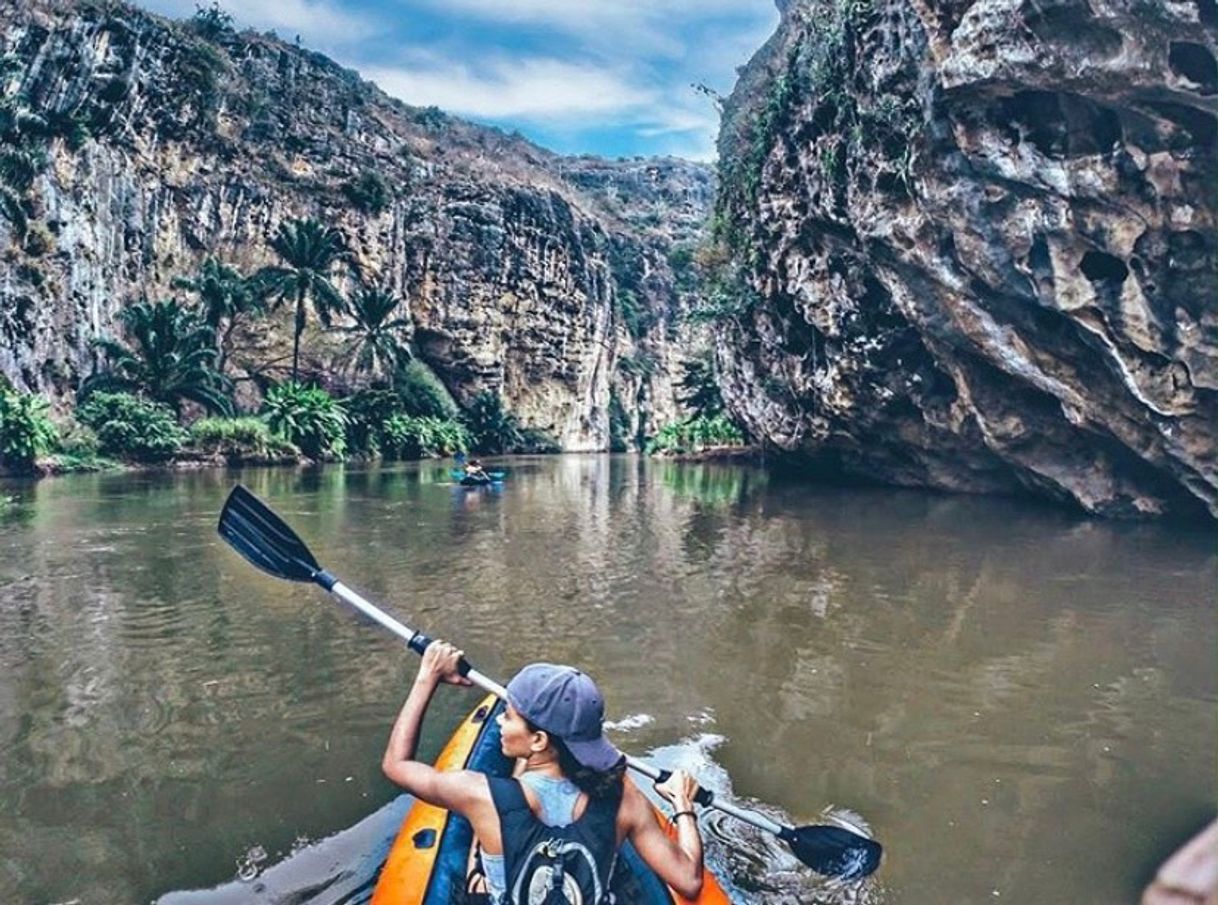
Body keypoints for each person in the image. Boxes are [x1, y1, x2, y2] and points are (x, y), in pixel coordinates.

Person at [382, 641, 705, 903]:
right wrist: (682, 806)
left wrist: (428, 675)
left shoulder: (478, 795)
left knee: (479, 854)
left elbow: (397, 766)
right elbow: (688, 881)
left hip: (506, 812)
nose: (499, 722)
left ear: (538, 739)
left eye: (507, 717)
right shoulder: (626, 800)